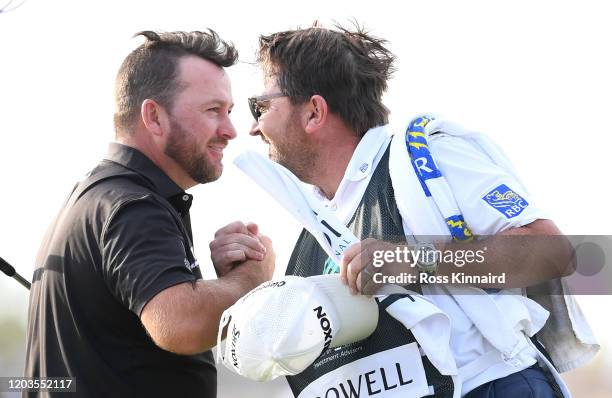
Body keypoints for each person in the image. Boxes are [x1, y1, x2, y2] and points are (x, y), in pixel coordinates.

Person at [236, 23, 597, 397]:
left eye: (260, 106)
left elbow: (553, 252)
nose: (252, 127)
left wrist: (413, 260)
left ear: (314, 112)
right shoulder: (315, 221)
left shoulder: (426, 155)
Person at [23, 30, 275, 398]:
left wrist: (220, 284)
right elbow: (180, 323)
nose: (230, 130)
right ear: (153, 117)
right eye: (212, 111)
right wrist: (252, 277)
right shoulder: (132, 205)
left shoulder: (99, 196)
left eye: (230, 112)